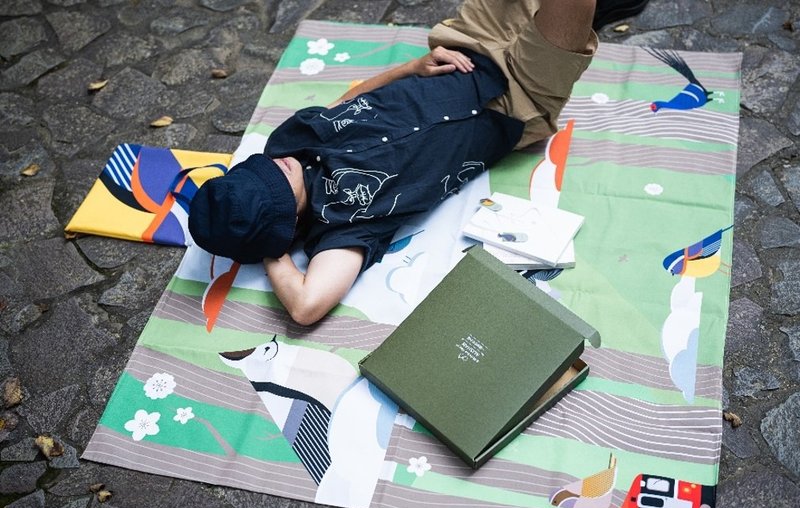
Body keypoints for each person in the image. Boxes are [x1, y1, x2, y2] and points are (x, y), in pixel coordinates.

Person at [189, 0, 597, 326]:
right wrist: (271, 249)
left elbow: (349, 101)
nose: (277, 167)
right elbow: (305, 306)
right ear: (286, 224)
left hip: (466, 47)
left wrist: (411, 67)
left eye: (260, 169)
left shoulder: (286, 145)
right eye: (273, 187)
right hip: (515, 98)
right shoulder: (342, 226)